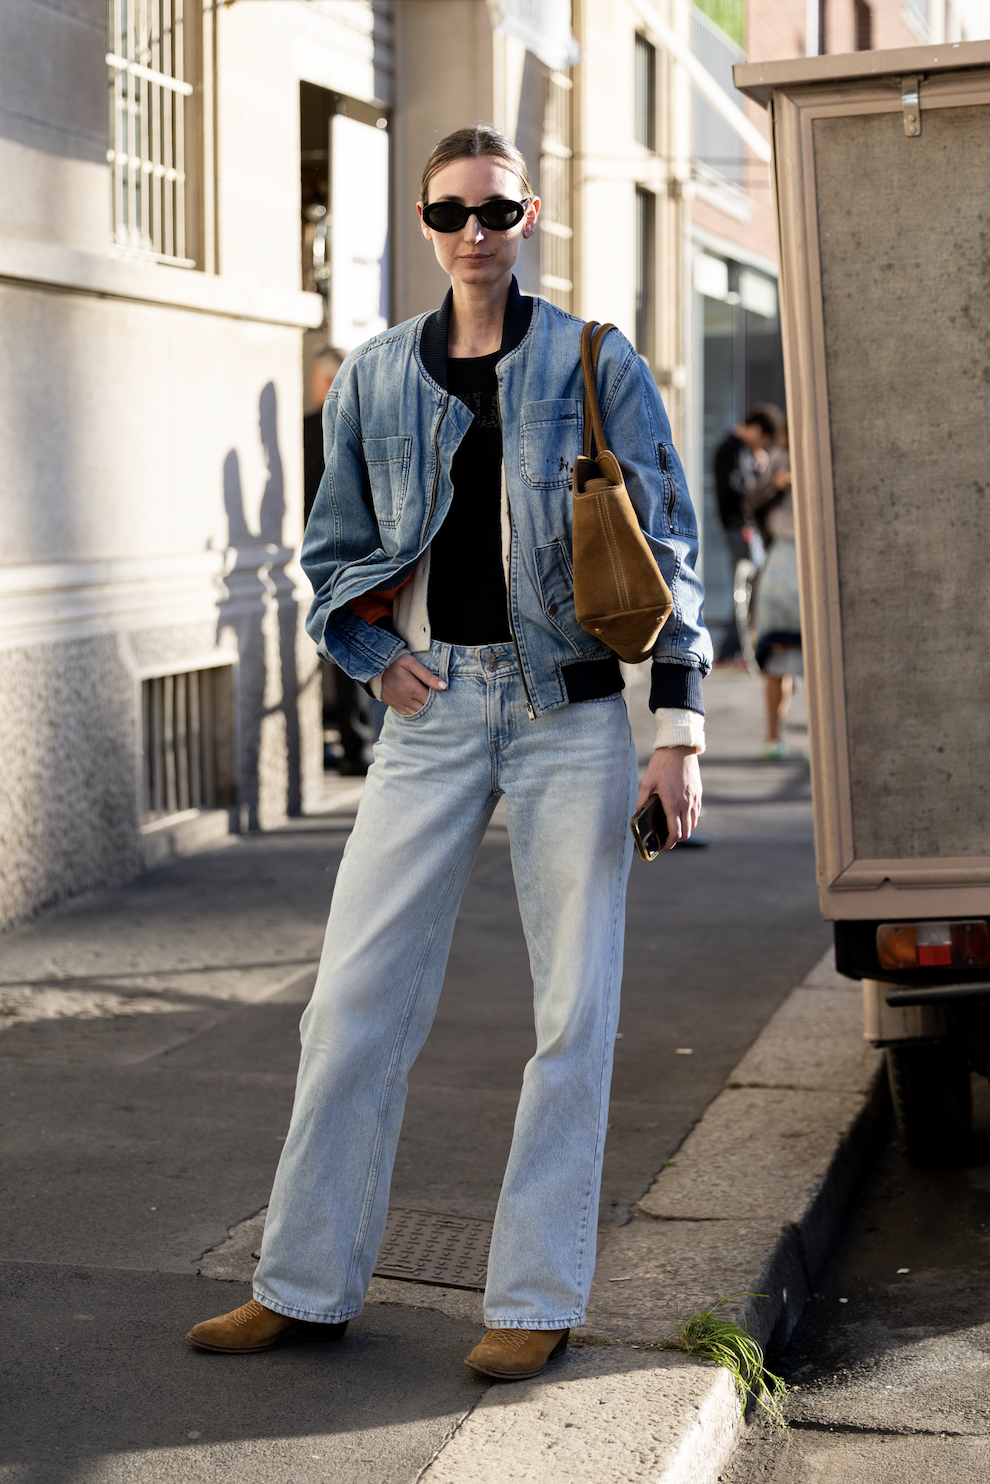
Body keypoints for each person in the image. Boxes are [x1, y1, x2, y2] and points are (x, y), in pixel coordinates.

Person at [185, 123, 712, 1379]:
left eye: (497, 210)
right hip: (429, 714)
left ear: (529, 219)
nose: (474, 232)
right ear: (426, 225)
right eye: (450, 212)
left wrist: (678, 732)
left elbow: (673, 549)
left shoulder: (594, 361)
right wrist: (374, 657)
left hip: (569, 711)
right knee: (349, 1001)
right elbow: (331, 556)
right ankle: (303, 1282)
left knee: (571, 1011)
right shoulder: (375, 375)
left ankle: (535, 1294)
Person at [747, 420, 802, 759]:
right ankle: (773, 738)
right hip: (782, 562)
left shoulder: (822, 454)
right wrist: (776, 484)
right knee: (776, 659)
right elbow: (751, 502)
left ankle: (820, 741)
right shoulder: (779, 459)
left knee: (818, 663)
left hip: (810, 560)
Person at [713, 407, 779, 661]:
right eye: (764, 440)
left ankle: (736, 647)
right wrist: (760, 481)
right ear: (757, 430)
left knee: (747, 585)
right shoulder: (730, 449)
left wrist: (759, 470)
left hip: (742, 527)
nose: (761, 446)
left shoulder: (740, 450)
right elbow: (736, 491)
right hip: (738, 527)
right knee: (746, 586)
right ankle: (734, 647)